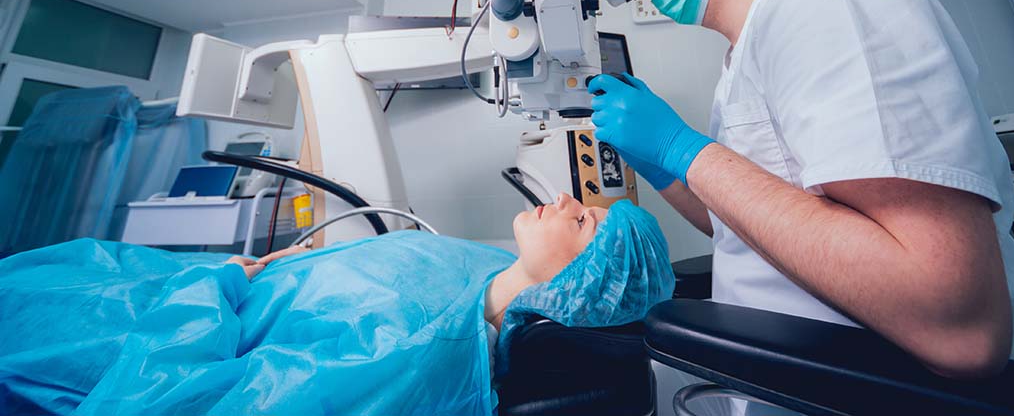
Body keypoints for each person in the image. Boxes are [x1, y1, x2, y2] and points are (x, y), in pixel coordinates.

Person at [588, 0, 1014, 389]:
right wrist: (661, 167)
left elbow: (958, 326)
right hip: (804, 384)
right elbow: (747, 224)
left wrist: (685, 150)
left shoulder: (823, 3)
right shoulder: (743, 59)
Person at [0, 194, 673, 416]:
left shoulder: (419, 354)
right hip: (204, 287)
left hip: (140, 330)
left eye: (583, 220)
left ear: (584, 282)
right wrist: (295, 264)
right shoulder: (496, 267)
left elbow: (170, 402)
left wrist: (219, 284)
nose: (563, 200)